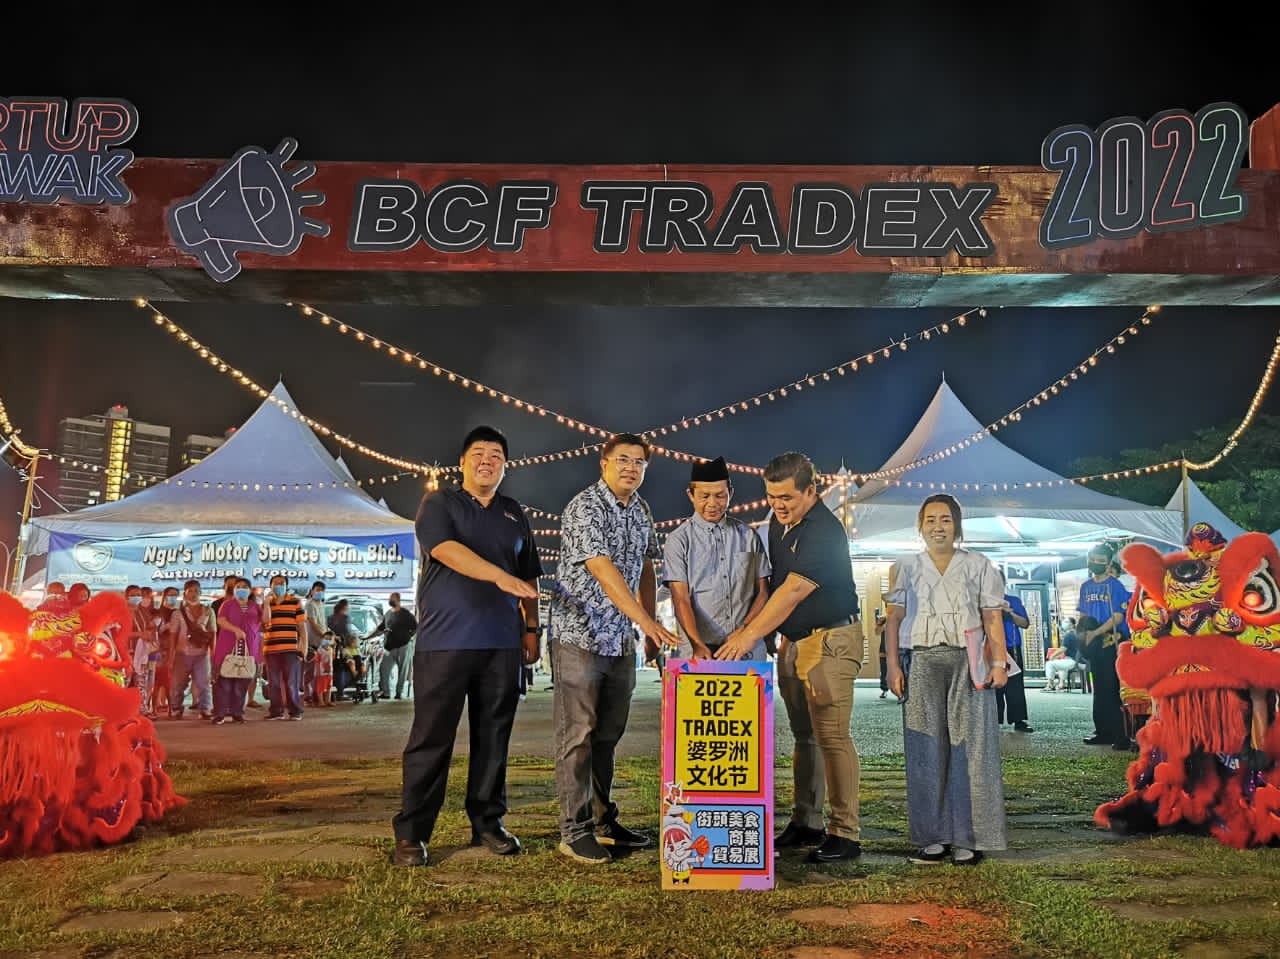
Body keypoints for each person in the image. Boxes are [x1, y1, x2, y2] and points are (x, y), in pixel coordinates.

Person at [391, 425, 542, 868]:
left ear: (505, 466)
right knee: (431, 739)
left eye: (496, 455)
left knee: (494, 738)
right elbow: (444, 549)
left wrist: (532, 629)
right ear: (462, 462)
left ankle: (488, 823)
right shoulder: (440, 504)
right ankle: (412, 834)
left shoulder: (514, 512)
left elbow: (529, 574)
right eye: (479, 453)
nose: (487, 461)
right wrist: (498, 576)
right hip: (445, 642)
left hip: (501, 644)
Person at [714, 452, 864, 864]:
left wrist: (747, 636)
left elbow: (794, 589)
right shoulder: (780, 526)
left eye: (787, 498)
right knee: (804, 736)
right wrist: (766, 634)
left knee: (832, 736)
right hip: (794, 641)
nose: (778, 506)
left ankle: (845, 832)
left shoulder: (825, 530)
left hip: (831, 639)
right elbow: (774, 586)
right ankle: (806, 821)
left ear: (811, 491)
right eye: (771, 497)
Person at [549, 432, 679, 865]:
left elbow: (645, 566)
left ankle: (604, 821)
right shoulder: (584, 507)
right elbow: (603, 571)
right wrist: (648, 621)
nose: (631, 468)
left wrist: (645, 626)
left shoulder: (641, 510)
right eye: (623, 459)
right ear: (604, 462)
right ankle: (574, 830)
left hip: (619, 638)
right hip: (578, 635)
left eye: (639, 462)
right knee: (578, 734)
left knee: (608, 734)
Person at [884, 493, 1009, 867]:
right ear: (920, 526)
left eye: (946, 519)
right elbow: (893, 619)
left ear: (957, 525)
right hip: (921, 660)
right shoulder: (905, 567)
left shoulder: (979, 565)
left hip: (967, 661)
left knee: (972, 749)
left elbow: (991, 616)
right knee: (924, 748)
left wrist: (998, 662)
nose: (938, 527)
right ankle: (932, 837)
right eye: (931, 520)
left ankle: (970, 837)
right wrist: (892, 666)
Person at [662, 456, 771, 661]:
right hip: (698, 654)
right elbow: (680, 598)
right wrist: (697, 644)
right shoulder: (679, 540)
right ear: (691, 495)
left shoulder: (749, 536)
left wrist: (745, 631)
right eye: (704, 496)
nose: (712, 504)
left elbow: (763, 592)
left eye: (720, 496)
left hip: (746, 651)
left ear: (730, 493)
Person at [1079, 545, 1131, 750]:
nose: (1095, 564)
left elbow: (1118, 617)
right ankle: (1102, 731)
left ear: (1109, 564)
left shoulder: (1115, 586)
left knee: (1113, 687)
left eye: (1100, 561)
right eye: (1092, 559)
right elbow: (1083, 614)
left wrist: (1096, 632)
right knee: (1099, 687)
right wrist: (1083, 634)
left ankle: (1121, 734)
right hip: (1094, 644)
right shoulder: (1086, 587)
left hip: (1112, 641)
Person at [212, 577, 264, 725]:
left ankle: (237, 713)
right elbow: (220, 620)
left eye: (245, 587)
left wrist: (265, 601)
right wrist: (235, 630)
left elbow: (265, 621)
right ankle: (220, 713)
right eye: (239, 587)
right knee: (225, 682)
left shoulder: (255, 606)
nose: (242, 589)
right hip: (228, 647)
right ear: (234, 590)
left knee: (242, 682)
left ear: (250, 590)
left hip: (249, 648)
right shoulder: (227, 604)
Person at [263, 574, 307, 720]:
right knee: (273, 683)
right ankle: (276, 711)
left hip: (290, 649)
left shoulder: (295, 602)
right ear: (270, 586)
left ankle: (295, 711)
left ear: (287, 586)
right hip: (271, 649)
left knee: (291, 682)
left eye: (282, 583)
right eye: (275, 583)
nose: (278, 586)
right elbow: (264, 623)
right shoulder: (267, 603)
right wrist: (266, 604)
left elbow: (302, 628)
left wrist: (303, 647)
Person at [170, 578, 215, 719]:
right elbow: (173, 635)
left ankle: (205, 709)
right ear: (185, 594)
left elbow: (213, 633)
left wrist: (213, 653)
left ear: (200, 593)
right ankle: (176, 708)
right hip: (182, 653)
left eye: (196, 591)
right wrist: (171, 656)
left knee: (204, 683)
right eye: (190, 591)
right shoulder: (177, 613)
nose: (193, 594)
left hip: (202, 654)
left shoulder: (209, 611)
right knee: (178, 684)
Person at [995, 573, 1034, 733]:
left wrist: (1010, 613)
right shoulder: (983, 602)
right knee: (994, 685)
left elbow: (1025, 623)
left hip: (1012, 648)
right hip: (991, 648)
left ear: (1004, 582)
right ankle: (994, 720)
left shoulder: (1013, 601)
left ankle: (1019, 719)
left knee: (1015, 685)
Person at [367, 592, 417, 699]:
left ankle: (399, 693)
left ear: (398, 600)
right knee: (384, 669)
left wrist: (407, 637)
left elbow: (415, 628)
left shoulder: (406, 614)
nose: (390, 600)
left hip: (403, 646)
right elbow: (380, 629)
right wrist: (367, 637)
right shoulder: (388, 613)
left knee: (402, 670)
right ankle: (386, 692)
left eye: (392, 598)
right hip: (389, 647)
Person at [1044, 617, 1080, 691]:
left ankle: (1050, 685)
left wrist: (1052, 656)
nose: (1064, 623)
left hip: (1073, 661)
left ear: (1072, 625)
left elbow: (1063, 649)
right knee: (1062, 663)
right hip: (1080, 661)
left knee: (1049, 664)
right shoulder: (1077, 634)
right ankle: (1061, 684)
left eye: (1066, 622)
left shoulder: (1069, 635)